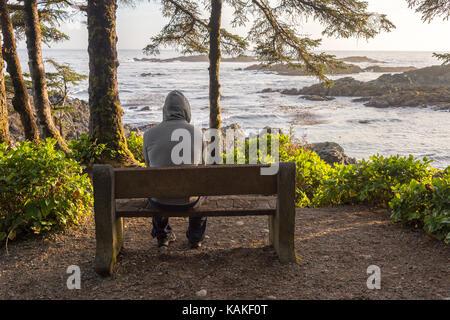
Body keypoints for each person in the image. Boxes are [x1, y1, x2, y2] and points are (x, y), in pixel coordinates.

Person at [143, 90, 206, 249]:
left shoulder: (149, 135)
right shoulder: (199, 133)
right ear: (186, 110)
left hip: (159, 201)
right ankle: (195, 237)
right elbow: (203, 170)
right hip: (190, 201)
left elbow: (148, 167)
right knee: (201, 189)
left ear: (165, 111)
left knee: (156, 187)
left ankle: (163, 235)